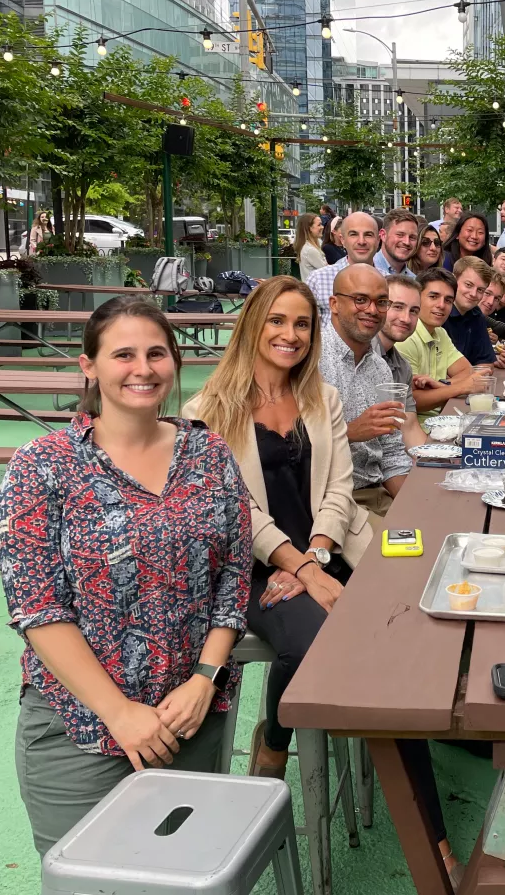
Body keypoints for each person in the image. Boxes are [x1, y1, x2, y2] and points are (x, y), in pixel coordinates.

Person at [0, 296, 251, 855]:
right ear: (89, 365)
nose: (143, 368)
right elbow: (38, 608)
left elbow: (233, 579)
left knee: (183, 867)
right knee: (91, 876)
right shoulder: (45, 466)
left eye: (156, 353)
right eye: (124, 354)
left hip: (188, 716)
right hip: (80, 729)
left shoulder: (208, 453)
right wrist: (118, 713)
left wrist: (203, 679)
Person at [184, 276, 372, 779]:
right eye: (278, 320)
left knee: (396, 624)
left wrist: (316, 555)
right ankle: (274, 739)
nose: (291, 334)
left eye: (303, 324)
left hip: (328, 551)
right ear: (252, 325)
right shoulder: (205, 412)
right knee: (313, 640)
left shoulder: (321, 398)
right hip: (252, 567)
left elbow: (339, 486)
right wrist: (300, 567)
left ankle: (385, 738)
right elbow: (235, 511)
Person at [317, 265, 411, 527]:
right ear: (334, 304)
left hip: (376, 493)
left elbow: (392, 451)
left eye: (381, 302)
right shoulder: (310, 358)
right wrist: (348, 433)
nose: (371, 310)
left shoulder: (380, 367)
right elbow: (288, 447)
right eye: (360, 299)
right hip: (327, 502)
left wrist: (414, 509)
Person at [396, 268, 481, 421]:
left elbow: (467, 371)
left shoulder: (440, 332)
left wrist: (439, 385)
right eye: (433, 296)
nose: (441, 305)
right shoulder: (405, 336)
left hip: (442, 418)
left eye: (448, 300)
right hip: (416, 429)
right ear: (417, 298)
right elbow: (413, 402)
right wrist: (461, 387)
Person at [378, 274, 433, 449]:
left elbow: (409, 428)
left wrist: (434, 462)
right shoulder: (359, 354)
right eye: (398, 307)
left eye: (414, 311)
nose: (406, 318)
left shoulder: (402, 367)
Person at [306, 211, 380, 324]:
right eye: (353, 234)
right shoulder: (318, 279)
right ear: (343, 240)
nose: (361, 241)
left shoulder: (388, 281)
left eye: (368, 235)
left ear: (378, 240)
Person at [445, 257, 505, 368]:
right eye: (468, 285)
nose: (473, 294)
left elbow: (486, 364)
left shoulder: (476, 314)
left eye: (480, 290)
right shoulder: (439, 311)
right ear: (453, 281)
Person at [372, 208, 419, 278]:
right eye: (400, 235)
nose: (407, 242)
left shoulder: (414, 281)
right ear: (383, 235)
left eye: (412, 237)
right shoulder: (366, 272)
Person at [295, 212, 328, 280]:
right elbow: (327, 270)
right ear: (309, 228)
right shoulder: (310, 250)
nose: (322, 227)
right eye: (319, 225)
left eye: (321, 224)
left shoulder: (318, 242)